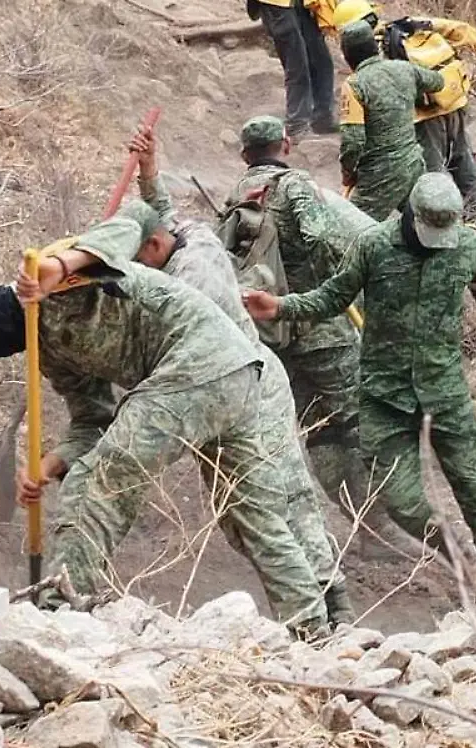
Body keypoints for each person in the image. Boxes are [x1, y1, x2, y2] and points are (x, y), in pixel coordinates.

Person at [0, 238, 330, 637]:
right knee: (251, 516)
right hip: (235, 375)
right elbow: (93, 420)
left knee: (93, 484)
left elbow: (117, 240)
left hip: (202, 357)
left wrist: (63, 266)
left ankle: (60, 618)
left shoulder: (53, 277)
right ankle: (315, 632)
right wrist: (49, 464)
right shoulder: (51, 352)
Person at [105, 125, 355, 626]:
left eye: (133, 258)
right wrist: (150, 170)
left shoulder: (191, 280)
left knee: (272, 510)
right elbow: (163, 216)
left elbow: (176, 352)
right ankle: (329, 610)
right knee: (266, 512)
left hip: (246, 390)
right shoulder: (189, 238)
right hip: (250, 382)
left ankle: (327, 618)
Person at [242, 172, 476, 561]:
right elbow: (332, 297)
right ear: (411, 215)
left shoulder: (472, 246)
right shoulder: (373, 246)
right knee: (403, 502)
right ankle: (457, 557)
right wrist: (280, 307)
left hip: (446, 393)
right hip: (385, 396)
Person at [224, 115, 415, 558]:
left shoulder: (236, 198)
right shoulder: (294, 186)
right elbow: (322, 236)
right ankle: (391, 524)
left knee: (321, 432)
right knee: (364, 421)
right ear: (285, 145)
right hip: (321, 328)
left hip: (273, 335)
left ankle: (366, 526)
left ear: (244, 156)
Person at [332, 0, 476, 220]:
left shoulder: (377, 50)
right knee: (463, 161)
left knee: (433, 175)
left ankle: (445, 223)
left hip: (425, 117)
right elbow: (459, 29)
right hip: (454, 101)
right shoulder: (408, 26)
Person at [337, 20, 445, 221]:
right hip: (413, 163)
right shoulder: (405, 69)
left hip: (379, 175)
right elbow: (438, 82)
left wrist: (347, 174)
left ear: (347, 56)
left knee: (349, 229)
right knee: (428, 222)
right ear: (375, 47)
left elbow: (353, 141)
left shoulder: (354, 85)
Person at [247, 0, 337, 137]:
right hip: (276, 4)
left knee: (321, 59)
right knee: (296, 63)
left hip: (300, 3)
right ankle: (297, 124)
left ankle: (322, 117)